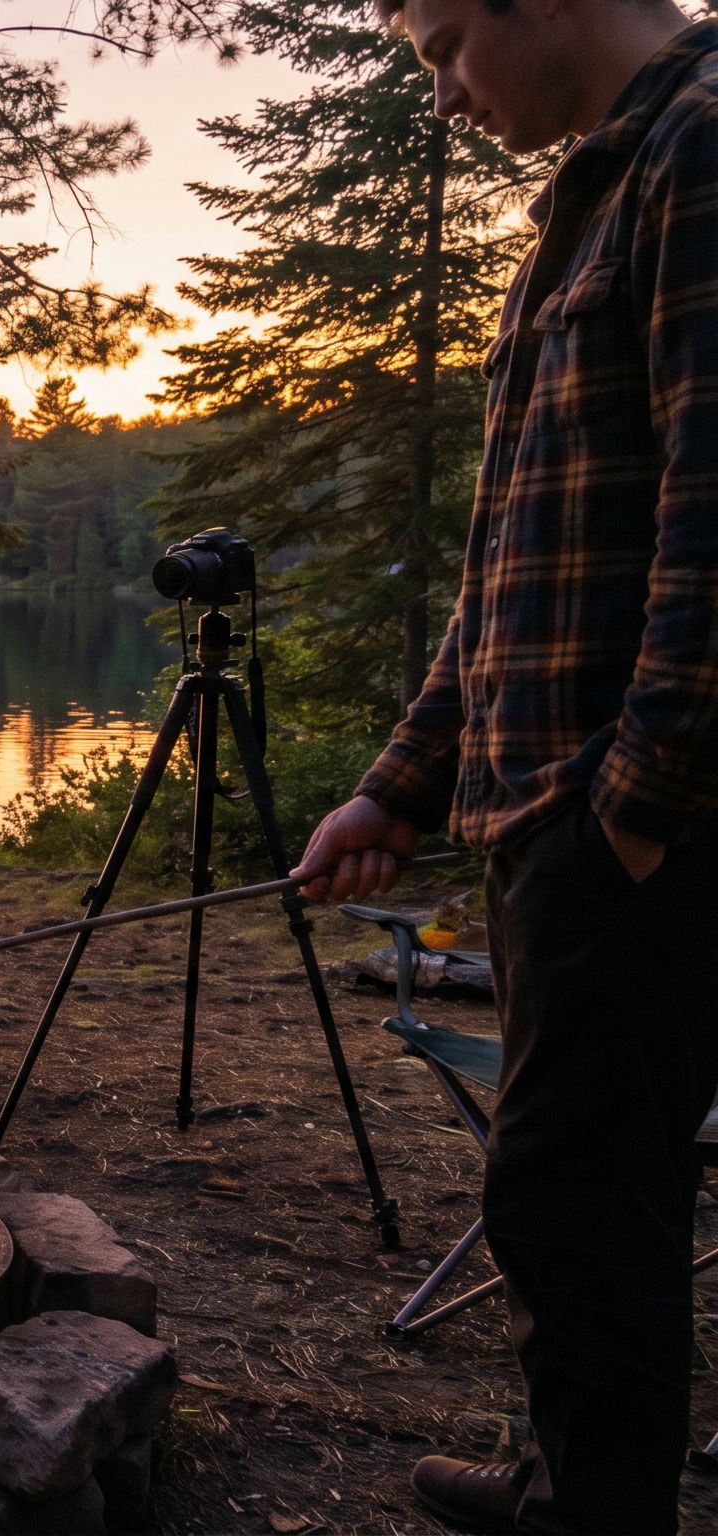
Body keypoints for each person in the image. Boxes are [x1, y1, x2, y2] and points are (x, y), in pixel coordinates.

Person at [291, 0, 718, 1528]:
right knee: (563, 1200)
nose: (445, 94)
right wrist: (404, 785)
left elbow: (711, 524)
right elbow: (514, 572)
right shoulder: (592, 198)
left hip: (628, 835)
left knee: (584, 1210)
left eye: (445, 46)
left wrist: (636, 817)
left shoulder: (704, 149)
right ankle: (559, 1479)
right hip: (559, 822)